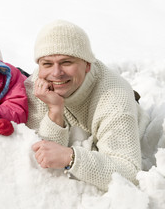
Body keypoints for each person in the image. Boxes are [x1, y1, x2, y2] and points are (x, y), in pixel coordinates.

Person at [25, 20, 150, 191]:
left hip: (118, 116)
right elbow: (46, 156)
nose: (56, 73)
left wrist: (71, 158)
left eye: (67, 62)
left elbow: (129, 173)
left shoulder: (115, 98)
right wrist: (55, 111)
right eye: (47, 63)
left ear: (87, 65)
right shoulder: (37, 86)